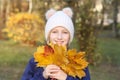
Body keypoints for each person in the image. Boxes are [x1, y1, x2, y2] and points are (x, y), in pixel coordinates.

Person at [21, 7, 91, 80]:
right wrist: (42, 76)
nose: (59, 37)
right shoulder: (35, 62)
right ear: (48, 36)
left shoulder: (78, 64)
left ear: (70, 37)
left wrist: (66, 78)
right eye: (54, 32)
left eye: (65, 32)